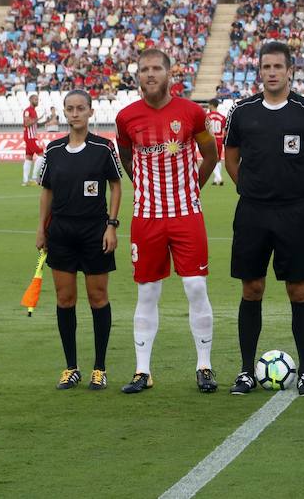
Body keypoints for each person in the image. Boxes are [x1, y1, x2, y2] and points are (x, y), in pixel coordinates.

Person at [224, 41, 304, 397]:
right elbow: (231, 161)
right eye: (266, 67)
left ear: (290, 71)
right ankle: (245, 370)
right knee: (251, 288)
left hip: (294, 214)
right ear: (260, 71)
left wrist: (301, 198)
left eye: (278, 67)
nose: (271, 73)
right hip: (252, 213)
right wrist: (254, 191)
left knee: (298, 290)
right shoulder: (242, 112)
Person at [115, 49, 220, 394]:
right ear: (138, 76)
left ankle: (204, 365)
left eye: (156, 68)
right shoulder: (126, 117)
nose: (150, 74)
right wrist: (147, 189)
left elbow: (210, 155)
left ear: (169, 74)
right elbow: (128, 159)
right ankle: (142, 371)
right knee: (147, 291)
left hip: (186, 213)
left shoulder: (191, 112)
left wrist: (192, 188)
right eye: (144, 69)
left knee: (195, 287)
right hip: (146, 217)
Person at [36, 90, 122, 391]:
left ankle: (100, 368)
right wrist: (41, 228)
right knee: (64, 299)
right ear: (64, 112)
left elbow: (116, 185)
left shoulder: (103, 147)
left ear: (90, 112)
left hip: (94, 231)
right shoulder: (53, 150)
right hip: (61, 232)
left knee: (98, 298)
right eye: (70, 109)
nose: (75, 113)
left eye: (80, 108)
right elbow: (46, 190)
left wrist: (111, 225)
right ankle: (71, 367)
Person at [22, 94, 46, 186]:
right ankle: (34, 178)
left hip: (30, 137)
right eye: (35, 99)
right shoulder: (28, 111)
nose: (37, 101)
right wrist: (37, 119)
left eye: (37, 99)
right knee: (41, 154)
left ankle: (25, 181)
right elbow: (26, 124)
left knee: (28, 157)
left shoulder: (33, 111)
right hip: (30, 137)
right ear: (30, 100)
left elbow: (35, 125)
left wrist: (45, 121)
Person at [205, 98, 226, 185]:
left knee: (211, 159)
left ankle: (219, 178)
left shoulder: (207, 116)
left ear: (212, 105)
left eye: (209, 104)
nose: (208, 106)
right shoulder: (222, 117)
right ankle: (216, 180)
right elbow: (224, 130)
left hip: (210, 139)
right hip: (219, 139)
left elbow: (205, 129)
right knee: (218, 159)